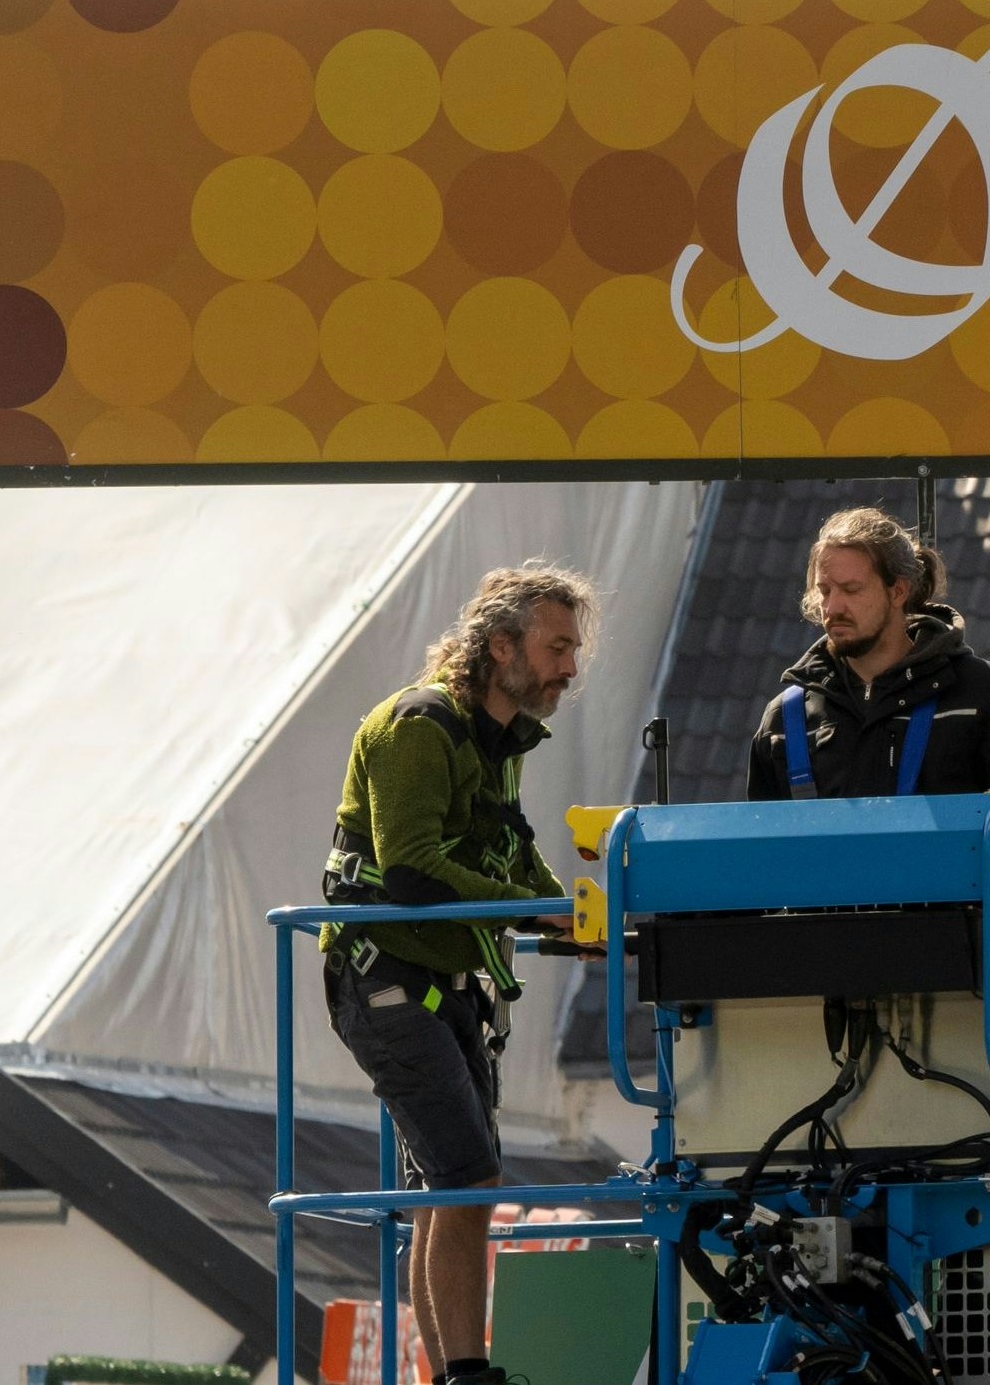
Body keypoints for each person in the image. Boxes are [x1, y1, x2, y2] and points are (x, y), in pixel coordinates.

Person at [319, 564, 597, 1385]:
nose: (569, 669)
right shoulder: (419, 725)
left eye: (572, 650)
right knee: (468, 1178)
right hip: (386, 981)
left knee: (447, 1185)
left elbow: (511, 849)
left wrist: (583, 918)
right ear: (500, 644)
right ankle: (468, 1373)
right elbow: (411, 873)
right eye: (556, 648)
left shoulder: (496, 739)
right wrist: (533, 909)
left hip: (440, 986)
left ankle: (449, 1372)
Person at [745, 505, 990, 800]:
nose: (832, 608)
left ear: (898, 592)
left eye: (851, 590)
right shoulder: (783, 721)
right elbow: (759, 847)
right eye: (824, 591)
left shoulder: (981, 695)